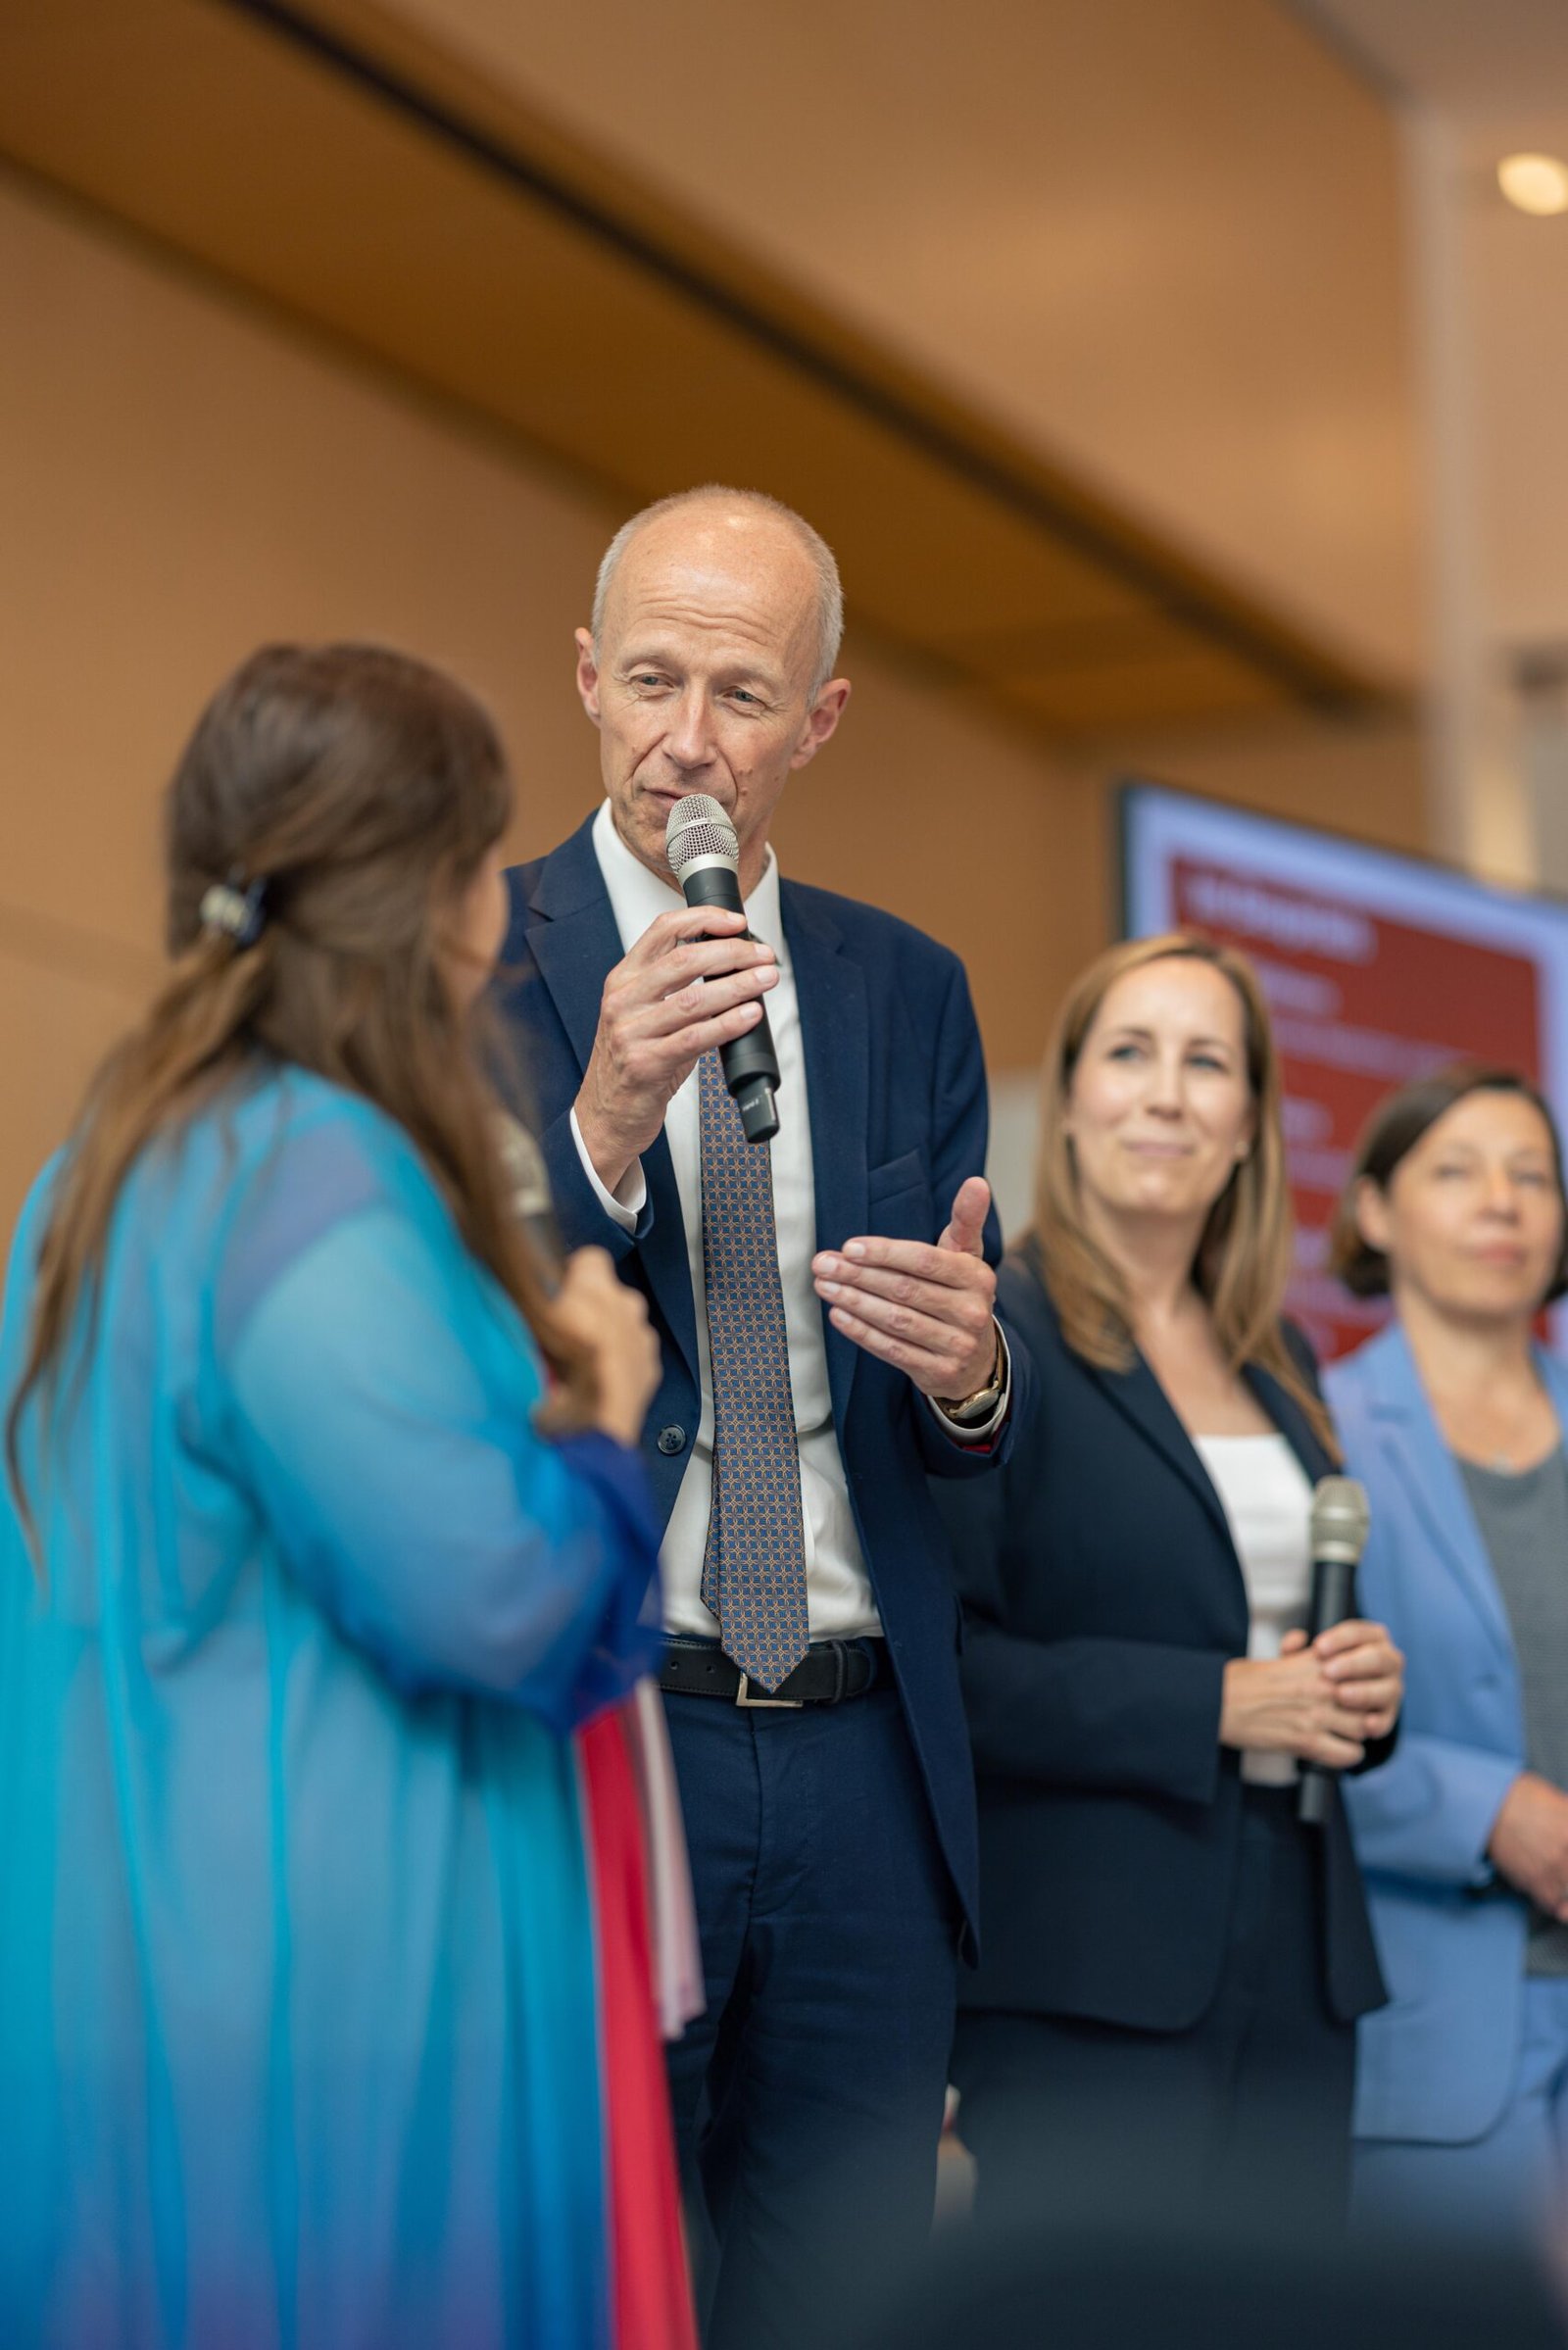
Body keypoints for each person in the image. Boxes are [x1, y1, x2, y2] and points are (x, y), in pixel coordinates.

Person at [0, 644, 695, 2350]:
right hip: (351, 1966)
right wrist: (605, 1415)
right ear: (436, 902)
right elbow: (502, 1594)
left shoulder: (101, 1168)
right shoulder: (310, 1173)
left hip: (160, 1924)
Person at [497, 485, 1030, 2347]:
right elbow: (447, 1345)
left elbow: (975, 1420)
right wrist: (601, 1131)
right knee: (599, 2272)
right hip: (612, 1714)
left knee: (849, 2291)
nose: (686, 741)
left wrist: (973, 1367)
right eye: (648, 679)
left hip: (867, 1749)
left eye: (740, 691)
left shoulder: (907, 983)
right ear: (581, 676)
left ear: (820, 718)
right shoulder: (470, 968)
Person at [932, 933, 1402, 2231]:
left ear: (1252, 1122)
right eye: (1129, 1052)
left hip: (1300, 1956)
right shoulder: (995, 1335)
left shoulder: (1280, 1352)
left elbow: (1286, 1626)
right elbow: (951, 1670)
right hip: (1091, 1972)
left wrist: (1358, 1680)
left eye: (1208, 1062)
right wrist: (1220, 1702)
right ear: (1071, 1095)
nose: (1165, 1092)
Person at [1325, 1066, 1568, 2239]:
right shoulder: (1315, 1430)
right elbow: (1292, 1722)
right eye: (1458, 1171)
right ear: (1373, 1211)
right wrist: (1491, 1813)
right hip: (1440, 2037)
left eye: (1531, 1176)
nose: (1502, 1203)